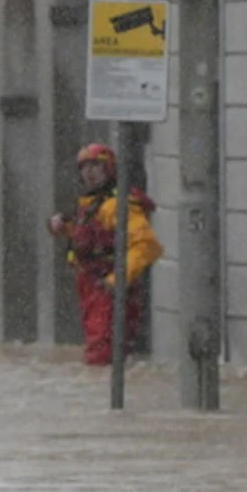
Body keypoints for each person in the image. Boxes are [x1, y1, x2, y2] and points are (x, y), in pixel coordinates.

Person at [47, 142, 163, 366]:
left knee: (102, 353)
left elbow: (147, 245)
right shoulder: (92, 205)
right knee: (99, 349)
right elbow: (92, 239)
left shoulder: (117, 206)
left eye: (96, 167)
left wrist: (117, 280)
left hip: (107, 291)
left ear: (109, 169)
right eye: (84, 167)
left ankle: (104, 397)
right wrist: (64, 228)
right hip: (92, 288)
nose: (89, 173)